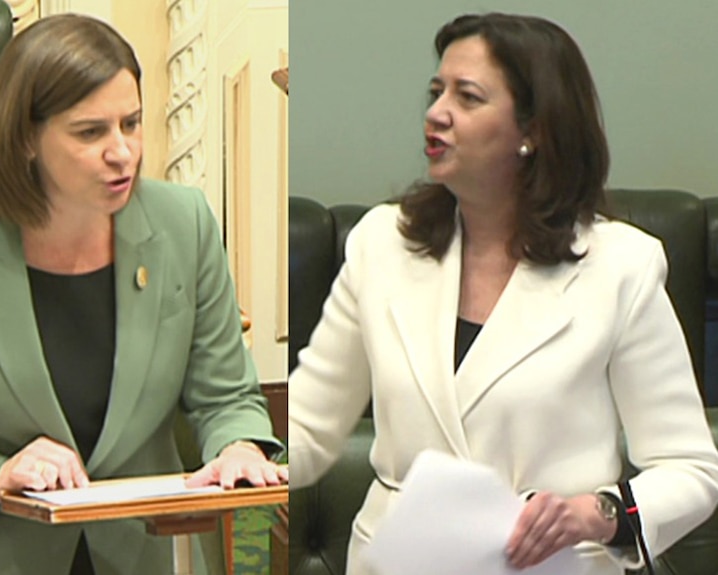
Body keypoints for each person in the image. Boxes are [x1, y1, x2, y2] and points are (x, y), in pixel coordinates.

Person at [288, 12, 718, 575]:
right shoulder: (380, 246)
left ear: (534, 131)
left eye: (467, 97)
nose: (436, 113)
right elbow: (307, 425)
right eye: (435, 91)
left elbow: (690, 468)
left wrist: (603, 511)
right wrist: (240, 455)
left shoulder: (622, 267)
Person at [0, 13, 286, 575]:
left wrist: (239, 447)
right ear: (25, 139)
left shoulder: (185, 225)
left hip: (145, 553)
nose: (123, 152)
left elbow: (226, 398)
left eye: (131, 123)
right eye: (91, 132)